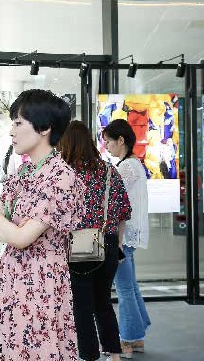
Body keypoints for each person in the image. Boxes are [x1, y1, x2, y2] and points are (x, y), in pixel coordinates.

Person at [0, 89, 85, 360]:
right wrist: (7, 227)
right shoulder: (22, 172)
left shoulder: (61, 177)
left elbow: (20, 238)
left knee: (39, 349)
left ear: (44, 128)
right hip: (12, 277)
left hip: (41, 282)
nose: (11, 131)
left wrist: (6, 227)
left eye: (18, 123)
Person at [57, 121, 132, 361]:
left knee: (82, 306)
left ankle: (89, 356)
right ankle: (114, 354)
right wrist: (118, 244)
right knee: (103, 302)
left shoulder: (65, 173)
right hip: (108, 242)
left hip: (80, 243)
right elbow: (124, 212)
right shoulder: (109, 171)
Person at [102, 118, 151, 357]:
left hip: (122, 237)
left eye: (108, 141)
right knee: (130, 286)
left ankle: (127, 341)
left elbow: (110, 200)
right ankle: (137, 336)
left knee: (124, 289)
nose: (106, 146)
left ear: (121, 140)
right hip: (129, 236)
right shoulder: (133, 164)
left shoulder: (126, 168)